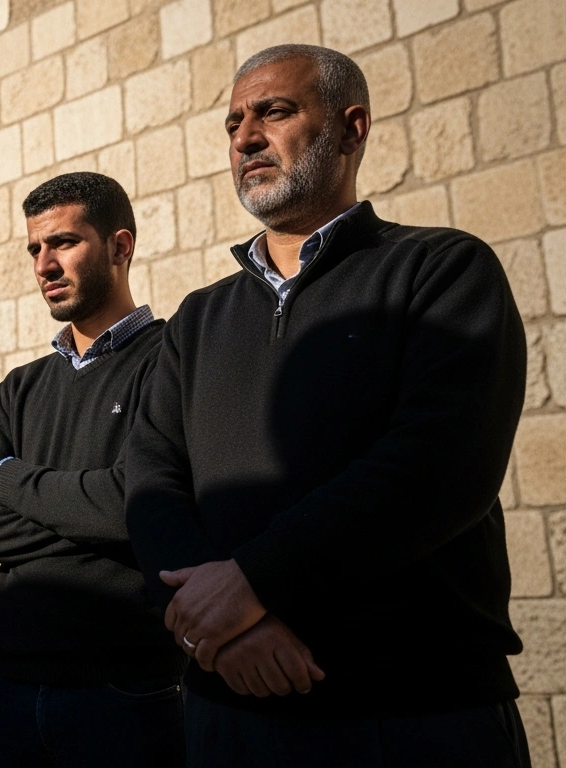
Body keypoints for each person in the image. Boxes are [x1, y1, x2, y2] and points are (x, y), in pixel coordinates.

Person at [124, 44, 530, 767]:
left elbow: (440, 467)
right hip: (228, 712)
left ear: (352, 128)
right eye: (233, 123)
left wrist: (254, 581)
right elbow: (151, 478)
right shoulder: (196, 319)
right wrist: (228, 630)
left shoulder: (441, 271)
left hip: (413, 715)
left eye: (274, 111)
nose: (245, 136)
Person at [0, 173, 184, 767]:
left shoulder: (170, 359)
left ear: (120, 246)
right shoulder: (20, 388)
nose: (44, 264)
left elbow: (134, 505)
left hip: (128, 688)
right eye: (35, 248)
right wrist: (93, 510)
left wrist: (9, 480)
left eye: (64, 243)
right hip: (10, 686)